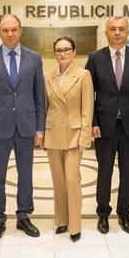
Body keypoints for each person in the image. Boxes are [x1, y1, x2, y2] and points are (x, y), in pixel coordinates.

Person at [0, 14, 45, 241]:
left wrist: (40, 128)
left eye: (14, 29)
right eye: (5, 30)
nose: (10, 34)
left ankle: (24, 215)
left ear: (20, 31)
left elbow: (39, 96)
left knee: (25, 175)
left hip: (27, 127)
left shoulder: (34, 59)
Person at [85, 16, 129, 235]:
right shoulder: (95, 58)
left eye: (121, 29)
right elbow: (88, 95)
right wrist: (92, 122)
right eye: (112, 29)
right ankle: (103, 214)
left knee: (127, 173)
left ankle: (124, 214)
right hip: (103, 128)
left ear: (127, 32)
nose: (117, 32)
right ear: (106, 33)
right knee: (104, 173)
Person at [43, 36, 93, 242]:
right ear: (55, 54)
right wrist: (42, 134)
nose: (62, 53)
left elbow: (87, 108)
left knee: (72, 180)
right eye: (59, 50)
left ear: (74, 52)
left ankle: (75, 225)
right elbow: (44, 107)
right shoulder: (47, 76)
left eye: (66, 49)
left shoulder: (84, 75)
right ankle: (62, 220)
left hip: (74, 134)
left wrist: (85, 136)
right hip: (53, 133)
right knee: (58, 181)